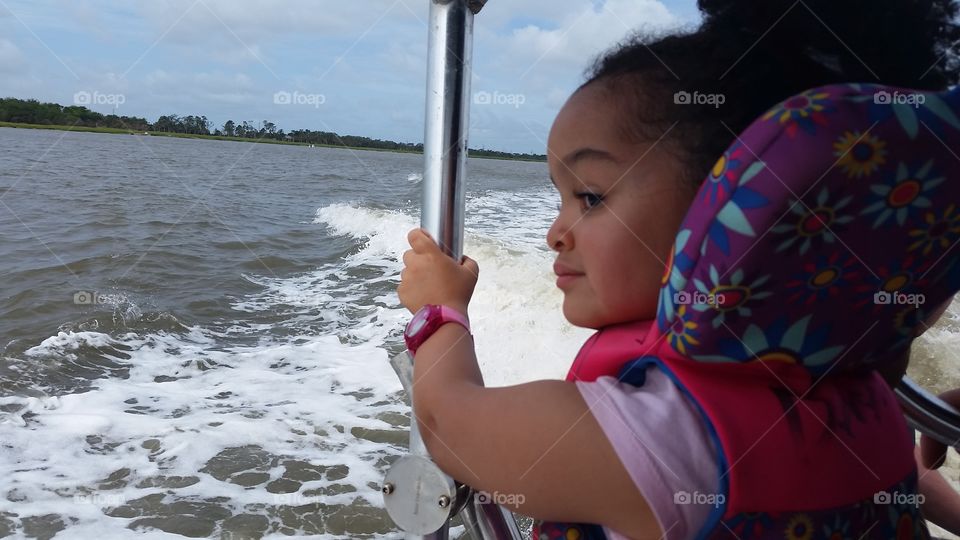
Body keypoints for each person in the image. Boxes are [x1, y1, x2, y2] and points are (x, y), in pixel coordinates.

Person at [398, 0, 960, 538]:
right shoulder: (871, 397)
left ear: (731, 213)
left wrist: (441, 311)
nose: (555, 233)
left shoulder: (670, 439)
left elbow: (450, 424)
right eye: (560, 197)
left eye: (591, 197)